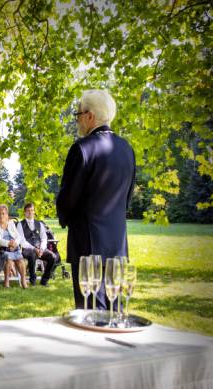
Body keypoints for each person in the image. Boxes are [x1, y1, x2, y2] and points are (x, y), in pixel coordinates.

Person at [57, 89, 136, 310]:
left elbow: (67, 199)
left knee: (90, 314)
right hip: (117, 246)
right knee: (114, 312)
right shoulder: (127, 150)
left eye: (78, 114)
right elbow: (127, 199)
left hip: (87, 245)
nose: (77, 119)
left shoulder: (82, 148)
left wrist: (64, 216)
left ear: (90, 116)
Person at [17, 203, 56, 286]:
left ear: (34, 212)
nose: (30, 212)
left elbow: (44, 238)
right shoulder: (20, 224)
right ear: (24, 212)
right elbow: (22, 241)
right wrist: (34, 249)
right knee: (32, 254)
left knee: (53, 257)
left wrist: (41, 248)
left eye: (32, 210)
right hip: (27, 249)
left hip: (40, 248)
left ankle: (44, 280)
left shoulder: (40, 224)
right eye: (28, 211)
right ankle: (32, 279)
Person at [0, 205, 27, 289]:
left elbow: (18, 236)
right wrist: (9, 243)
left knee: (20, 260)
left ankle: (23, 280)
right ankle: (6, 281)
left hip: (14, 248)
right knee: (9, 259)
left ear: (7, 215)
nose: (1, 216)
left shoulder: (11, 224)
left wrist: (15, 243)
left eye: (3, 213)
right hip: (2, 250)